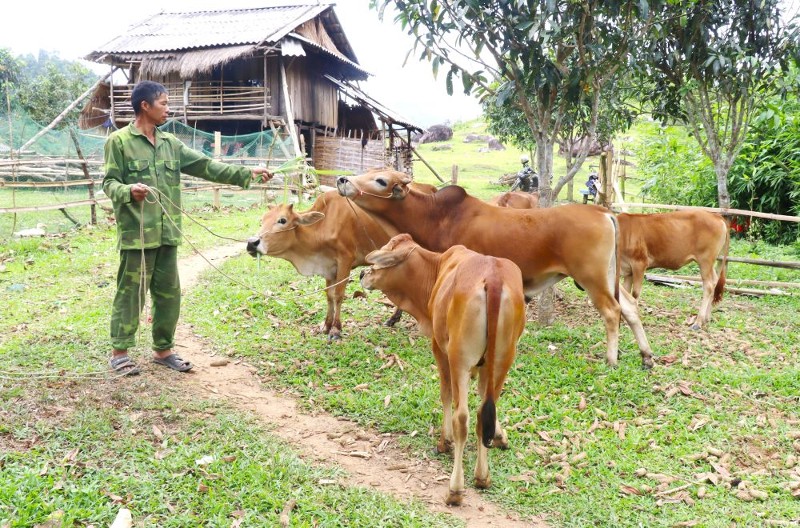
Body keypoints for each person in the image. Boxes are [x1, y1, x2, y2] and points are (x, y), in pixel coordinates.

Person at [103, 80, 272, 376]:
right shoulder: (118, 142)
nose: (169, 109)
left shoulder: (171, 144)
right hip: (137, 234)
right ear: (146, 106)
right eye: (164, 103)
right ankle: (120, 352)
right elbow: (109, 183)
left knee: (169, 293)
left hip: (168, 233)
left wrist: (247, 173)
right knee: (131, 293)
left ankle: (163, 349)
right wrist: (128, 190)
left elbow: (207, 166)